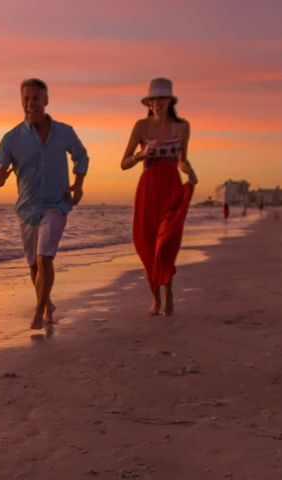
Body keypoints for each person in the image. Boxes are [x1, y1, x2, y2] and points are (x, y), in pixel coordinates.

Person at [0, 79, 89, 329]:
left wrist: (78, 184)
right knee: (33, 264)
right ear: (21, 101)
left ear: (46, 100)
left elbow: (81, 156)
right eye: (26, 98)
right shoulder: (11, 138)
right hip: (27, 208)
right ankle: (46, 303)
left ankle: (39, 312)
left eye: (35, 98)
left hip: (57, 204)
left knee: (45, 258)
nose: (31, 103)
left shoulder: (64, 132)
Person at [121, 78, 198, 316]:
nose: (157, 103)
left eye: (162, 98)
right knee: (146, 243)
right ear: (149, 102)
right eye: (153, 99)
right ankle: (155, 297)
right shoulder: (141, 126)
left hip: (171, 189)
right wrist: (143, 154)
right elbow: (124, 163)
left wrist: (189, 171)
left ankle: (169, 292)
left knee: (167, 243)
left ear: (170, 101)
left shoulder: (182, 127)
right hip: (148, 189)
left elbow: (182, 159)